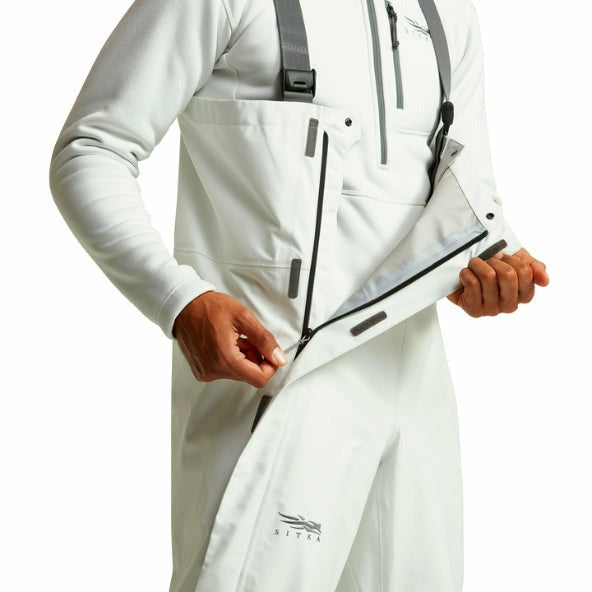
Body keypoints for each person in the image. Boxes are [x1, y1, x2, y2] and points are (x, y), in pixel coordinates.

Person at [48, 0, 550, 590]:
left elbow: (469, 194)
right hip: (272, 374)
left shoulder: (448, 12)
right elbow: (92, 148)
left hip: (415, 386)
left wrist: (494, 268)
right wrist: (179, 301)